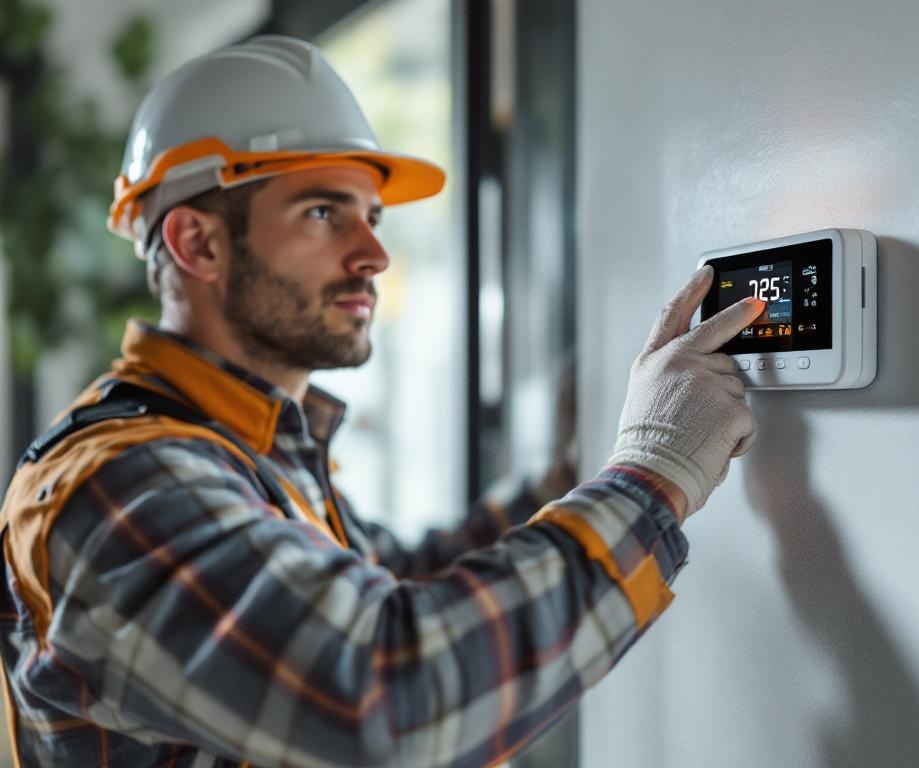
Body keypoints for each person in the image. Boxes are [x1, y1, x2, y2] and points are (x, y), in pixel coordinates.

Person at [0, 35, 764, 767]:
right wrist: (653, 476)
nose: (374, 254)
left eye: (372, 217)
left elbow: (404, 580)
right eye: (322, 213)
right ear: (198, 243)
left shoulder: (246, 450)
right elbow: (384, 699)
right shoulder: (117, 487)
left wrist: (571, 465)